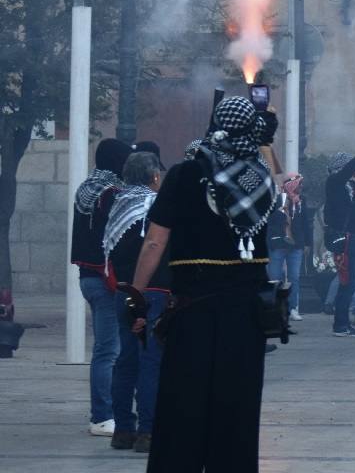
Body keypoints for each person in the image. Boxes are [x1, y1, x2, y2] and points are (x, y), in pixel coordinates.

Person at [129, 95, 280, 473]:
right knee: (238, 406)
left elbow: (155, 241)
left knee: (184, 402)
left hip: (193, 309)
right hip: (247, 314)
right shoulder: (260, 177)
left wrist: (135, 294)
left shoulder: (184, 174)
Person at [104, 151, 167, 453]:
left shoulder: (119, 204)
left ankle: (122, 431)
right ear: (154, 175)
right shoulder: (154, 205)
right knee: (150, 362)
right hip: (152, 292)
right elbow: (155, 245)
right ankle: (148, 431)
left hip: (122, 291)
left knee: (125, 361)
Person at [71, 137, 132, 437]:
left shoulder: (87, 188)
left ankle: (104, 412)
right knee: (109, 350)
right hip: (106, 278)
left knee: (106, 349)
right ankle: (102, 415)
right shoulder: (111, 193)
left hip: (87, 276)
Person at [323, 147, 355, 336]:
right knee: (347, 281)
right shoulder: (334, 182)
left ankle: (342, 323)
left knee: (351, 282)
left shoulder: (349, 186)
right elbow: (346, 172)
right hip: (344, 237)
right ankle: (340, 324)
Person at [267, 173, 309, 322]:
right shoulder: (277, 200)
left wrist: (306, 243)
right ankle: (276, 309)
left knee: (294, 278)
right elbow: (270, 221)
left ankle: (292, 308)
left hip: (295, 245)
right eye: (299, 184)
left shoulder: (301, 202)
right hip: (278, 244)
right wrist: (282, 211)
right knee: (275, 277)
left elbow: (305, 223)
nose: (301, 187)